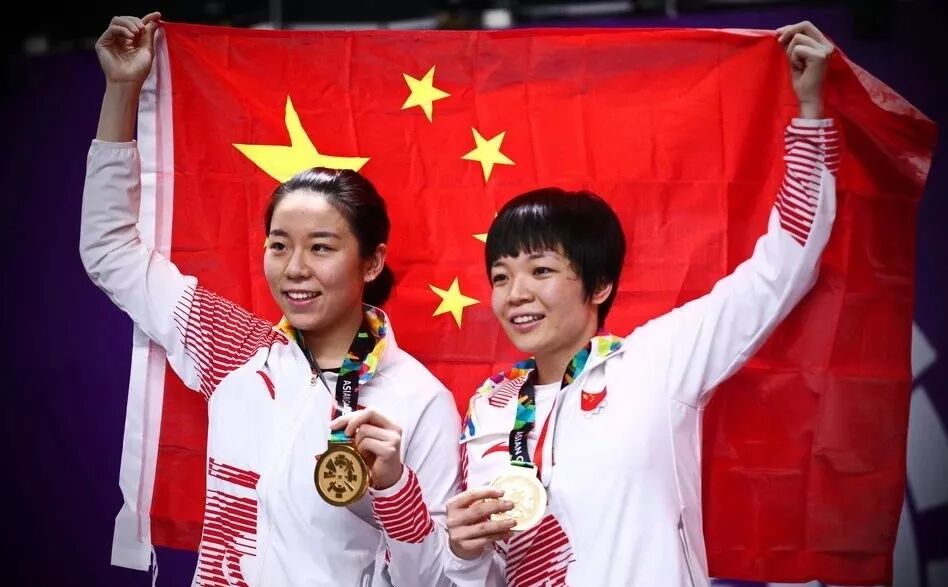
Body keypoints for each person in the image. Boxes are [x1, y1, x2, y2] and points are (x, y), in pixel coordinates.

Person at [441, 21, 840, 587]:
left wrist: (810, 112)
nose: (516, 294)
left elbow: (783, 265)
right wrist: (464, 553)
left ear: (599, 285)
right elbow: (494, 573)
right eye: (501, 277)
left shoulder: (656, 363)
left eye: (542, 271)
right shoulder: (489, 408)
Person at [81, 12, 460, 587]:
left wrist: (393, 487)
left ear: (372, 262)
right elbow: (111, 250)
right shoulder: (232, 349)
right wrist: (121, 88)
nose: (295, 268)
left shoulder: (419, 400)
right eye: (279, 245)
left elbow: (433, 581)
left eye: (321, 247)